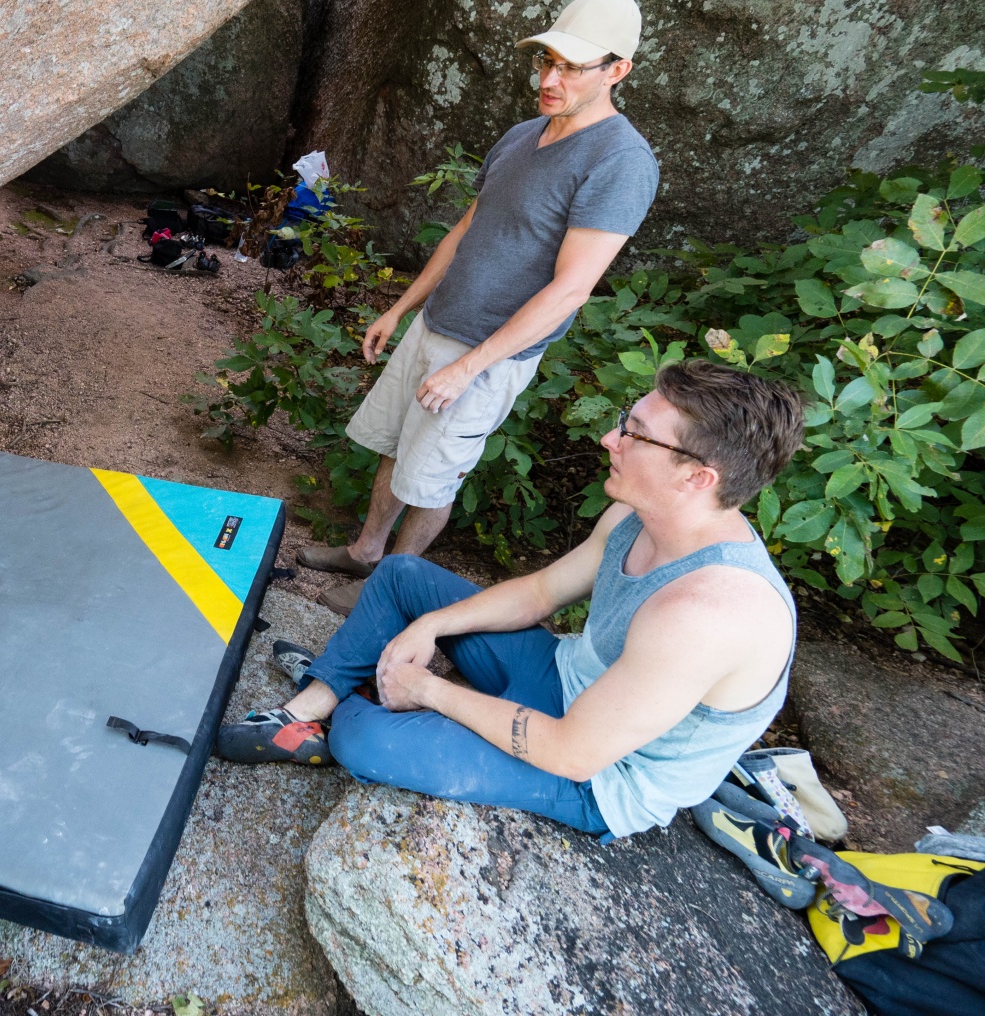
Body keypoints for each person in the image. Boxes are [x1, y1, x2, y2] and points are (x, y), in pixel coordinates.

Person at [219, 360, 805, 843]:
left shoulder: (709, 613)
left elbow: (573, 751)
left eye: (635, 433)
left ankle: (351, 699)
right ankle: (310, 706)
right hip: (561, 677)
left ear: (698, 477)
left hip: (598, 773)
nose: (610, 438)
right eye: (625, 420)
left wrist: (428, 691)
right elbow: (541, 592)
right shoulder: (636, 512)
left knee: (364, 740)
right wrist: (431, 623)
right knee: (402, 575)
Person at [299, 0, 661, 617]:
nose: (550, 79)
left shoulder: (621, 161)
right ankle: (364, 552)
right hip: (437, 325)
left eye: (572, 68)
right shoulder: (525, 134)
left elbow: (572, 289)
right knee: (395, 448)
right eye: (546, 61)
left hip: (490, 352)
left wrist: (469, 366)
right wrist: (402, 308)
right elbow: (466, 230)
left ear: (617, 71)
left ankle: (390, 588)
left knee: (433, 474)